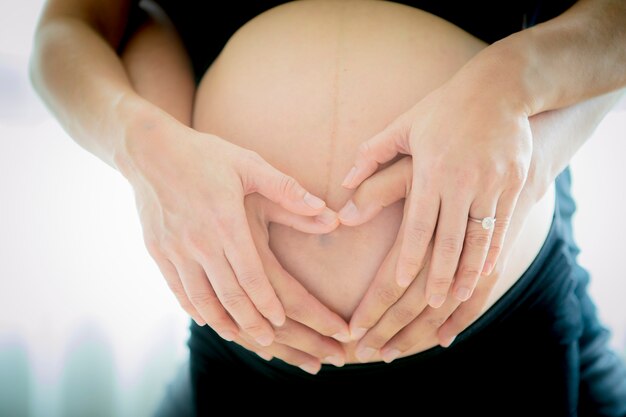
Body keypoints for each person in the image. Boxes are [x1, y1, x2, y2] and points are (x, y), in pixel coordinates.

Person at [31, 0, 626, 413]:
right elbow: (65, 30)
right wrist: (139, 144)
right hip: (250, 333)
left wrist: (510, 79)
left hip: (491, 325)